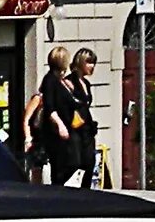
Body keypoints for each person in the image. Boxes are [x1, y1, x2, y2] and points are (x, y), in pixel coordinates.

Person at [25, 46, 72, 184]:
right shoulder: (50, 81)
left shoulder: (59, 81)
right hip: (50, 135)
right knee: (52, 168)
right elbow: (31, 116)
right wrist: (28, 139)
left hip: (56, 133)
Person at [64, 48, 103, 186]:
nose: (92, 66)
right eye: (89, 62)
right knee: (75, 163)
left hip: (87, 128)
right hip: (75, 128)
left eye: (93, 63)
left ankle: (86, 192)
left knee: (90, 162)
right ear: (80, 62)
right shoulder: (69, 82)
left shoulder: (86, 83)